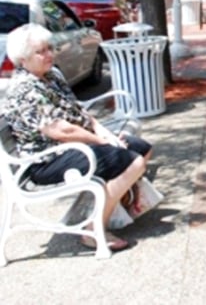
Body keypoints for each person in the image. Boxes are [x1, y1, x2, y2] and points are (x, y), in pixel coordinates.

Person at [2, 23, 152, 251]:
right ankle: (93, 230)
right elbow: (61, 131)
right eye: (40, 51)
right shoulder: (25, 89)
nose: (49, 54)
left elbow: (78, 112)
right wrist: (104, 142)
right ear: (22, 59)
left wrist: (103, 131)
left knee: (141, 147)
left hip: (71, 146)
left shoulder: (50, 76)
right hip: (46, 159)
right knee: (134, 161)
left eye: (49, 48)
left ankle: (113, 207)